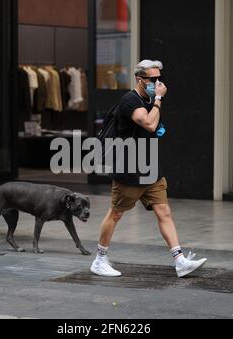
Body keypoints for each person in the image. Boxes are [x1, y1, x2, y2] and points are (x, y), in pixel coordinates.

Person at [91, 60, 208, 278]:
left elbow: (153, 128)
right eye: (152, 79)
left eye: (159, 79)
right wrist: (159, 100)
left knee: (164, 211)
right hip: (129, 169)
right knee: (116, 213)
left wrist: (156, 107)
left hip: (151, 167)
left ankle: (179, 260)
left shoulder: (150, 99)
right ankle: (99, 259)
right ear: (139, 79)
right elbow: (149, 123)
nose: (157, 83)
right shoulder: (130, 100)